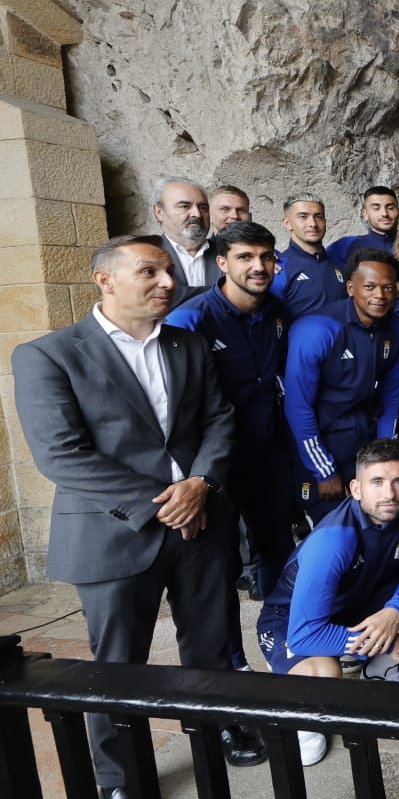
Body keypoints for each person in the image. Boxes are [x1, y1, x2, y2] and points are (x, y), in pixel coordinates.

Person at [13, 235, 264, 795]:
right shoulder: (48, 355)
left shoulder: (187, 344)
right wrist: (167, 502)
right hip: (113, 529)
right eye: (149, 272)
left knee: (210, 645)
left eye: (169, 271)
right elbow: (61, 454)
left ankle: (215, 728)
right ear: (105, 280)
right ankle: (120, 775)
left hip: (200, 520)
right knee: (116, 665)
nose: (168, 282)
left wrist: (200, 483)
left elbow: (220, 421)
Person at [256, 438, 399, 766]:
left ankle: (372, 668)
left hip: (352, 606)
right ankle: (291, 691)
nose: (389, 494)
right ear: (356, 488)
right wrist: (388, 642)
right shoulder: (332, 542)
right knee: (326, 675)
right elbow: (305, 636)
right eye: (377, 482)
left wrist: (394, 612)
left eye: (398, 481)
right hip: (291, 622)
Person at [165, 221, 296, 665]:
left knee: (278, 552)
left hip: (269, 454)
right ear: (221, 262)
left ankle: (285, 643)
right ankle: (233, 663)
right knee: (219, 566)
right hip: (216, 464)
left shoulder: (278, 311)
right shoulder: (191, 320)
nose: (258, 267)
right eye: (245, 257)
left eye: (265, 257)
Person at [284, 248, 399, 523]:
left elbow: (392, 396)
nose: (380, 295)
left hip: (363, 445)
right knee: (330, 532)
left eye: (388, 287)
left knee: (373, 527)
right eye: (370, 286)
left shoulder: (398, 330)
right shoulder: (317, 329)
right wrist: (324, 470)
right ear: (351, 288)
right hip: (320, 448)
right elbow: (297, 406)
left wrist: (384, 451)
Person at [271, 191, 347, 318]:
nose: (313, 223)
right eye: (303, 216)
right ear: (287, 223)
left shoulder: (339, 264)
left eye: (318, 216)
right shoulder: (279, 268)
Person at [153, 176, 222, 307]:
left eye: (203, 207)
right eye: (184, 206)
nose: (197, 214)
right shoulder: (143, 255)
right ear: (159, 212)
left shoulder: (228, 252)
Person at [327, 185, 399, 263]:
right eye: (376, 208)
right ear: (365, 214)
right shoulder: (346, 245)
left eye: (390, 208)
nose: (384, 213)